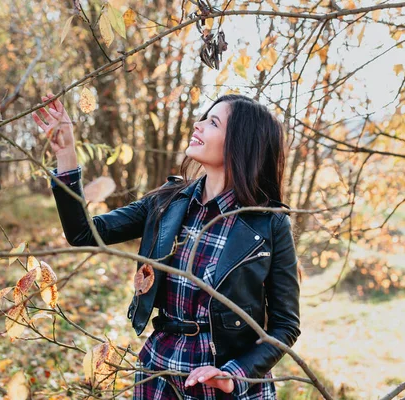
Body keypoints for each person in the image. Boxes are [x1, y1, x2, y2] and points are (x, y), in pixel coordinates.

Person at [33, 92, 301, 399]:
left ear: (240, 144)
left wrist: (233, 374)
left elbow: (285, 325)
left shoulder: (268, 224)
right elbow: (85, 233)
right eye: (203, 118)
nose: (198, 126)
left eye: (212, 122)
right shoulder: (168, 200)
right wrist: (67, 156)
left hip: (225, 383)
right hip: (159, 370)